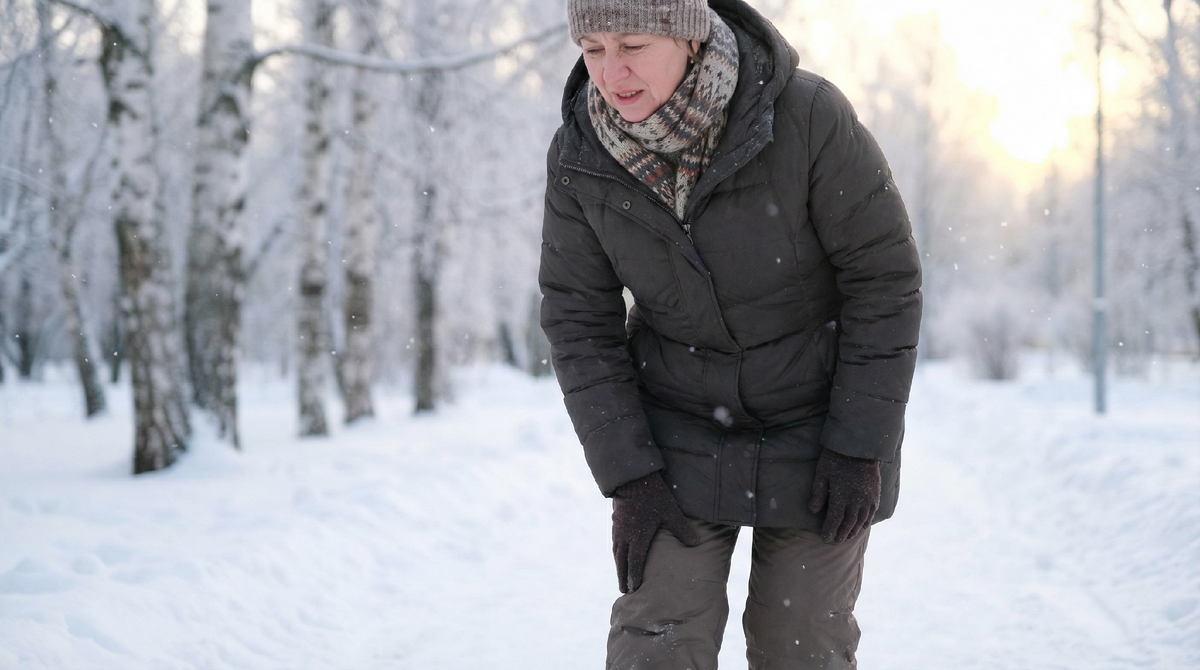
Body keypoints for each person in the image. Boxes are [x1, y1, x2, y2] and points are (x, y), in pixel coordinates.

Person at [539, 0, 922, 667]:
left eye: (632, 45)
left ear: (689, 37)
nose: (610, 72)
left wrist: (858, 447)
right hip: (678, 423)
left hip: (816, 423)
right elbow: (578, 320)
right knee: (657, 636)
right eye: (593, 48)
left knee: (800, 638)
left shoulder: (807, 118)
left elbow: (883, 280)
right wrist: (631, 476)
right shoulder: (582, 155)